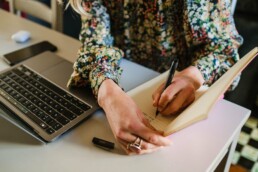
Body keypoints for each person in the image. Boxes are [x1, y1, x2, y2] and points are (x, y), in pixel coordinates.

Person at [66, 0, 243, 155]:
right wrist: (107, 94)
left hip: (186, 113)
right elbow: (95, 43)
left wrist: (194, 76)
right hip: (124, 78)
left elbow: (224, 53)